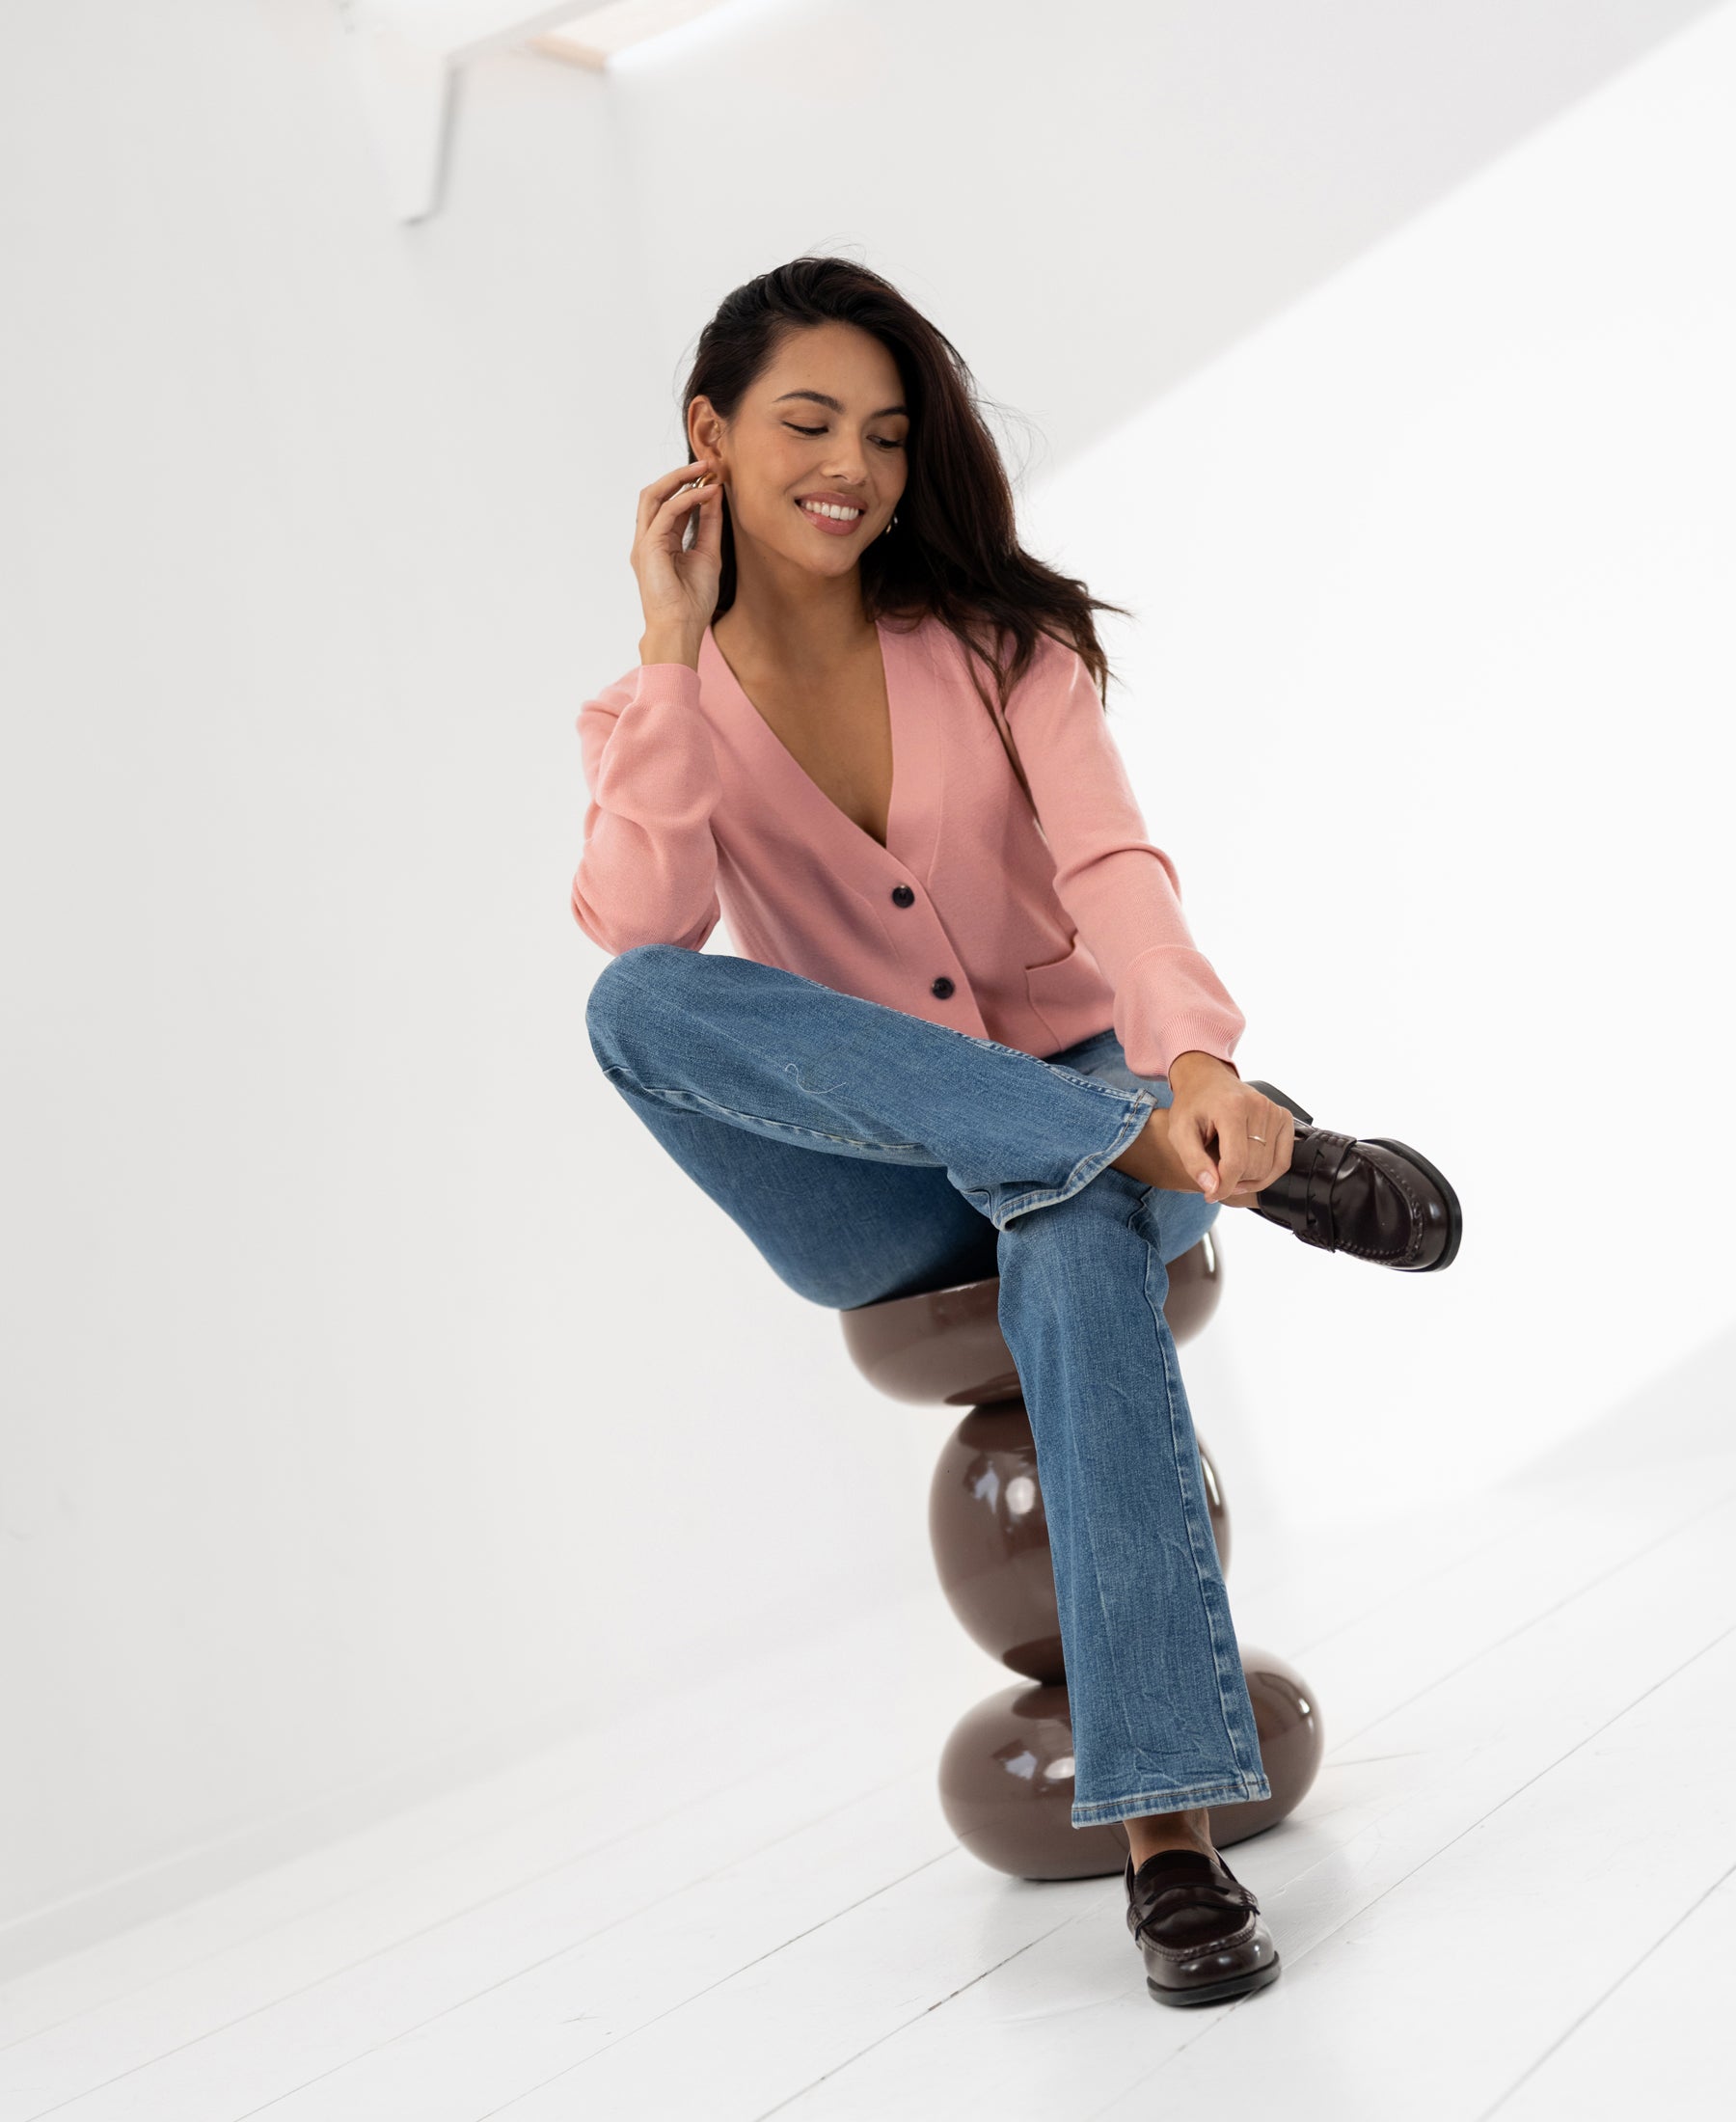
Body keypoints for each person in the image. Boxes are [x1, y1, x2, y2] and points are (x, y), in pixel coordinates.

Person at [570, 256, 1462, 2007]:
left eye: (889, 436)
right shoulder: (645, 717)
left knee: (1061, 1224)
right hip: (882, 1187)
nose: (856, 467)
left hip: (1131, 1100)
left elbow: (1115, 868)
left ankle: (1165, 1843)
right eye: (808, 423)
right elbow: (640, 930)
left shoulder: (1001, 645)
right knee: (633, 1008)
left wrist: (1193, 1058)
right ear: (708, 437)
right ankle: (1143, 1142)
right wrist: (671, 653)